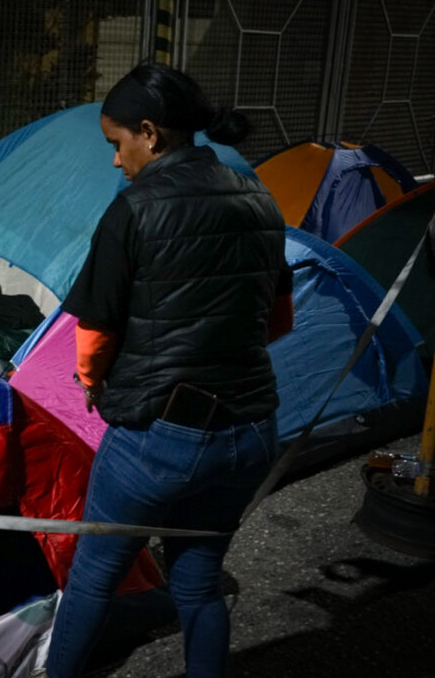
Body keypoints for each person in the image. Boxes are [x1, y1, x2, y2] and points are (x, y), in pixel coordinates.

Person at [45, 63, 295, 678]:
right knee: (200, 586)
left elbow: (94, 338)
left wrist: (94, 387)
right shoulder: (258, 197)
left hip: (158, 438)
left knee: (93, 582)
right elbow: (279, 320)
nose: (114, 160)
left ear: (150, 134)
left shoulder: (133, 209)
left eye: (116, 143)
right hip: (251, 432)